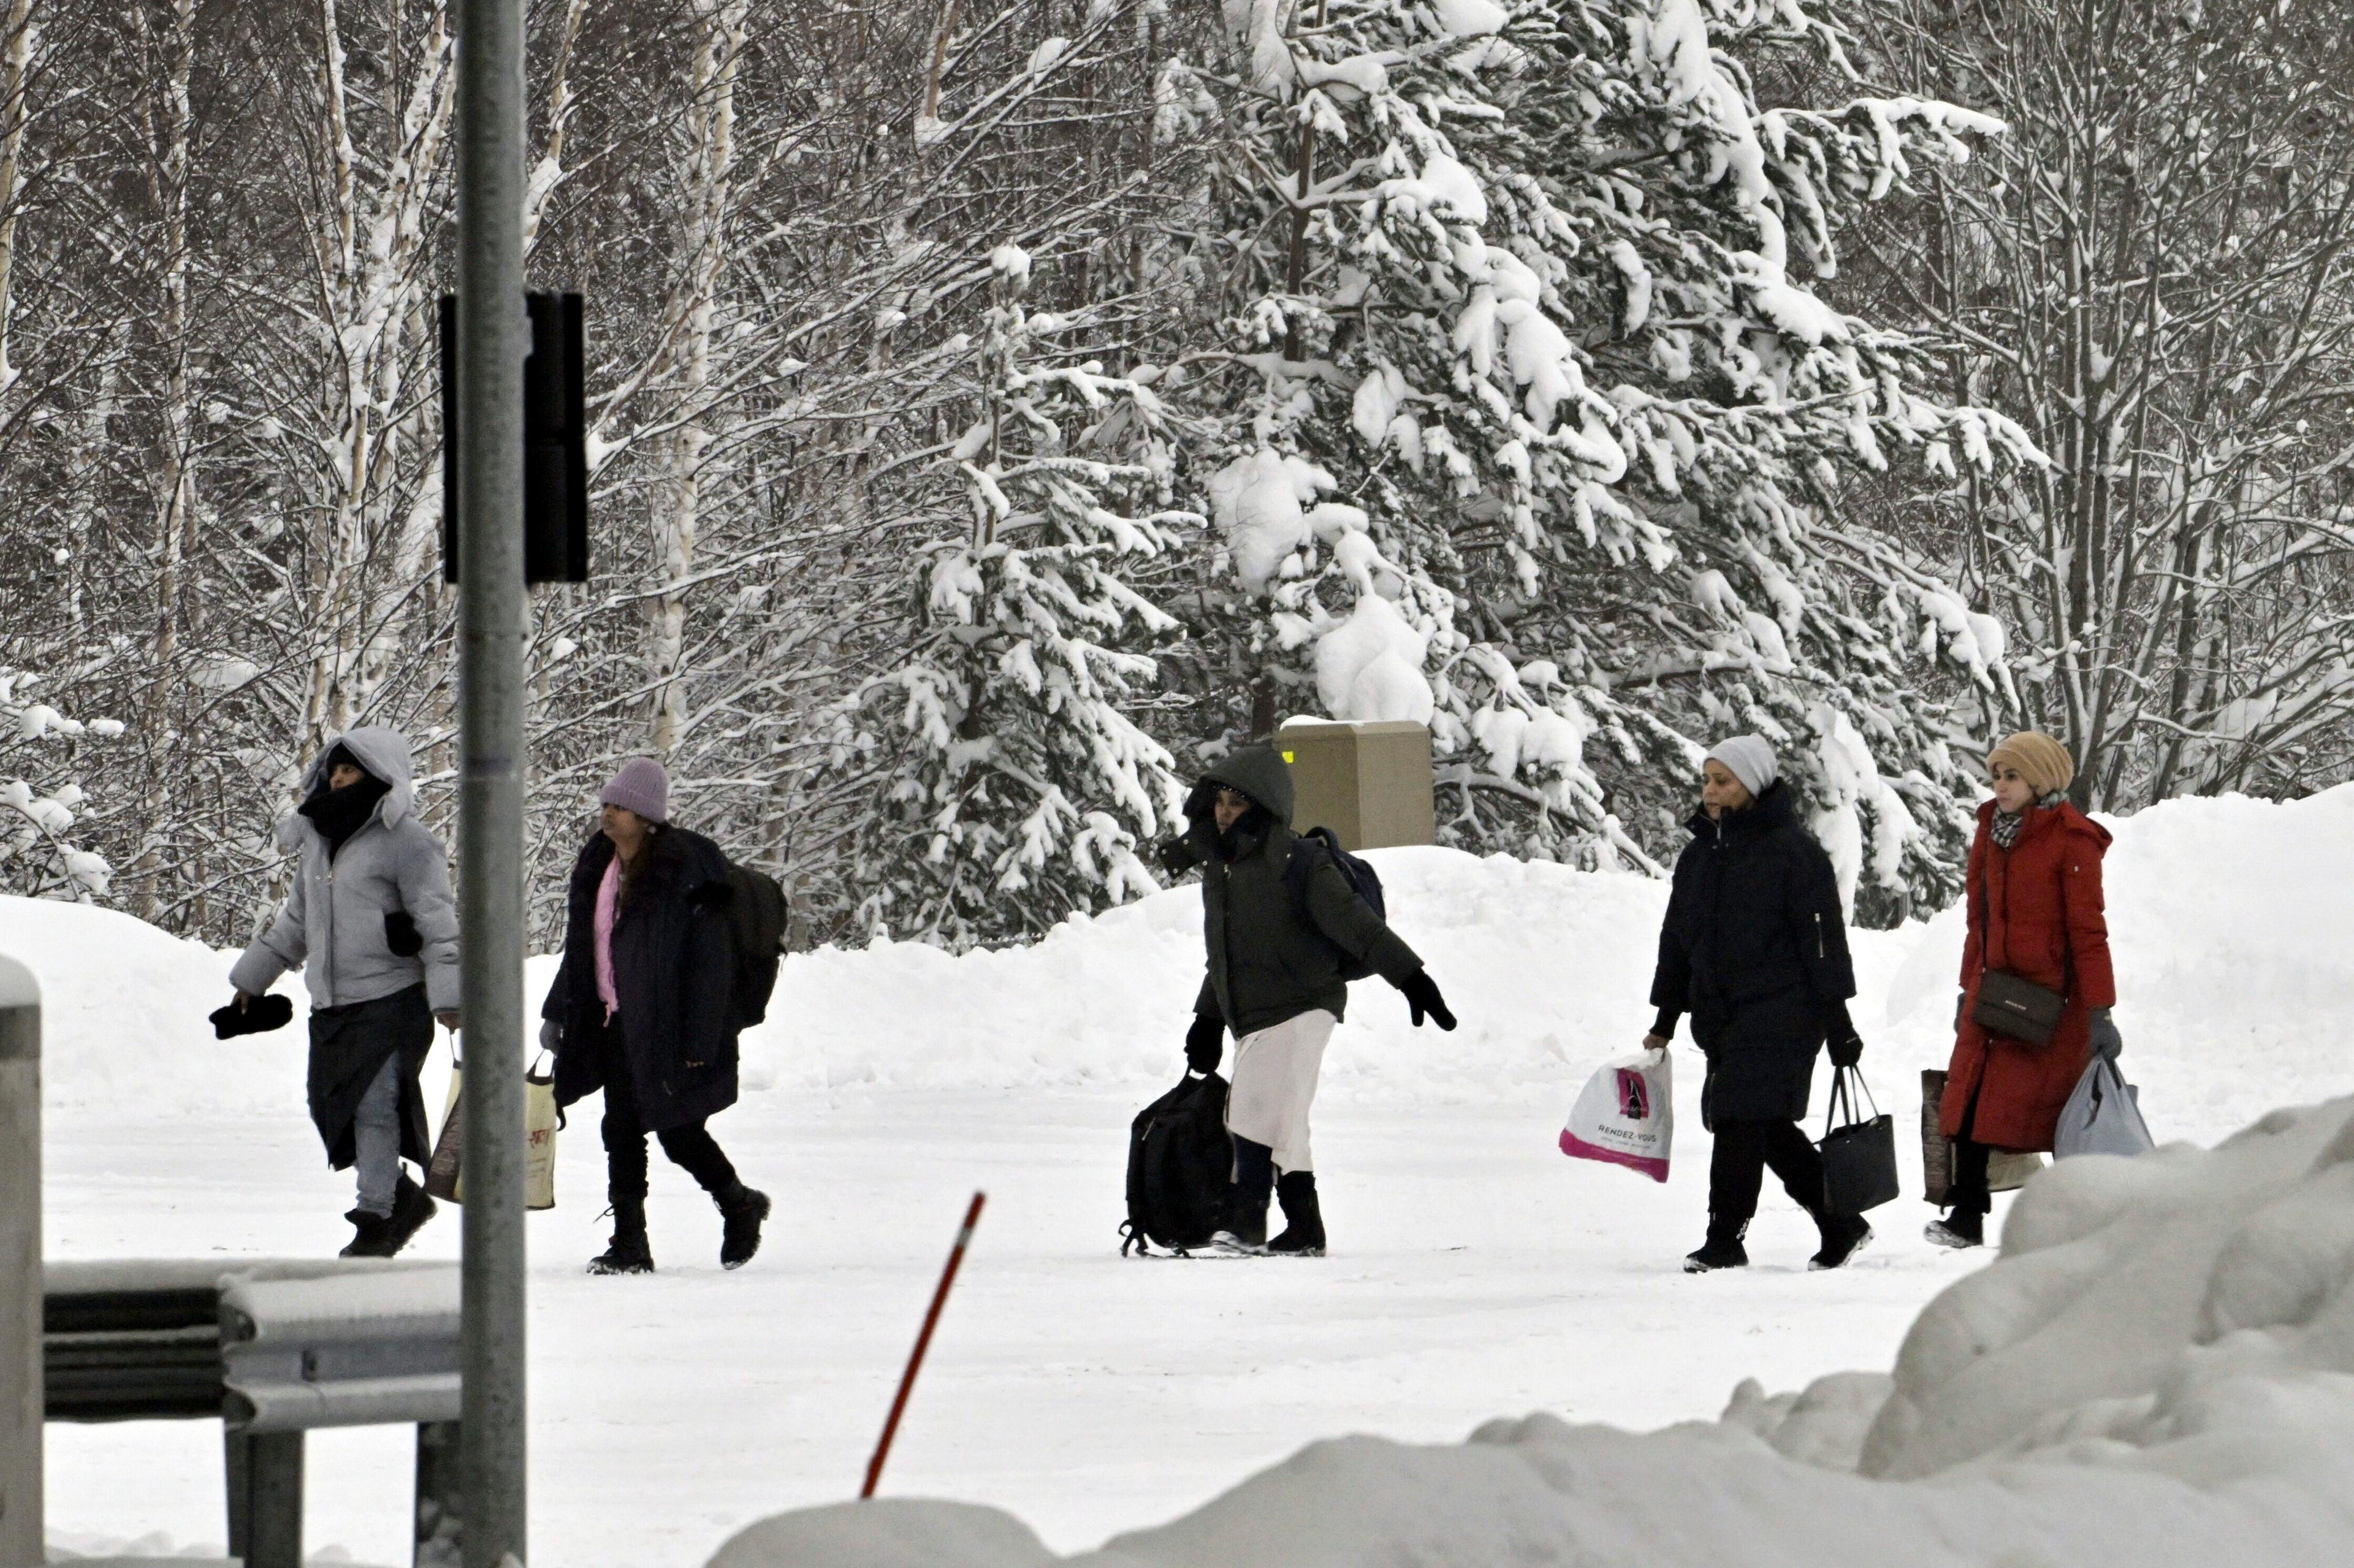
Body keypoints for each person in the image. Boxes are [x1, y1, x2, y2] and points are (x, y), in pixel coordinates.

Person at [1156, 745, 1456, 1257]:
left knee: (1251, 1112)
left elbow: (1359, 928)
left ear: (1264, 807)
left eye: (1238, 803)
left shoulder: (1299, 862)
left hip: (1302, 1002)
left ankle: (1245, 1224)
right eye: (1219, 802)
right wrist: (1207, 1020)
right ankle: (1305, 1230)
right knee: (1286, 1123)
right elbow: (1225, 956)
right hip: (1251, 1013)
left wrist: (1413, 979)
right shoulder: (1222, 870)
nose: (1225, 813)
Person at [227, 726, 460, 1258]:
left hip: (393, 997)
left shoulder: (410, 843)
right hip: (333, 1003)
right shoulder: (319, 839)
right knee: (328, 1106)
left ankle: (374, 1221)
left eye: (349, 770)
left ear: (380, 775)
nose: (337, 779)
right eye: (333, 770)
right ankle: (401, 1196)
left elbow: (438, 922)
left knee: (374, 1107)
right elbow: (297, 920)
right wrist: (251, 979)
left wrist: (448, 997)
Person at [1647, 735, 1872, 1273]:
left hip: (1786, 1012)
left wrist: (1838, 1020)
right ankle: (1840, 1220)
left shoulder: (1793, 852)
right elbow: (1677, 940)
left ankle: (1725, 1237)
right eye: (1707, 779)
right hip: (1723, 1014)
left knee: (1737, 1119)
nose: (1711, 790)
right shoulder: (1700, 854)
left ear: (1753, 784)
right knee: (1763, 1124)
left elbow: (1823, 943)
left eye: (1723, 780)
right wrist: (1665, 1019)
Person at [541, 758, 770, 1274]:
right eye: (606, 804)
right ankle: (630, 1244)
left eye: (620, 806)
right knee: (620, 1128)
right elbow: (586, 946)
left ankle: (739, 1203)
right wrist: (560, 1010)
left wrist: (700, 1041)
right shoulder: (600, 863)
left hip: (669, 1026)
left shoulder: (686, 866)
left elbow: (710, 962)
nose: (609, 815)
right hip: (616, 1022)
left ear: (647, 815)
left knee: (678, 1132)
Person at [1930, 732, 2116, 1249]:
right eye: (1996, 775)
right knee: (1970, 1101)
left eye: (2012, 775)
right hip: (1994, 993)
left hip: (2052, 1003)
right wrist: (1968, 989)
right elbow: (1979, 922)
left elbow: (2088, 930)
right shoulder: (1990, 831)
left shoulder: (2073, 840)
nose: (2001, 785)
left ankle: (2091, 1217)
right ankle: (1966, 1217)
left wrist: (2101, 1011)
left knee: (2060, 1116)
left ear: (2040, 779)